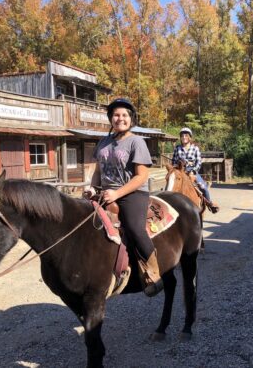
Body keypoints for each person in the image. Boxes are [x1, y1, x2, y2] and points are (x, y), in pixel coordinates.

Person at [86, 98, 162, 297]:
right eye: (116, 115)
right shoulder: (103, 142)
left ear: (131, 119)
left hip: (132, 193)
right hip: (105, 193)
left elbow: (142, 176)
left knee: (135, 228)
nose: (120, 118)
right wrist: (92, 188)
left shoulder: (136, 141)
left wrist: (117, 193)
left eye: (125, 115)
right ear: (111, 118)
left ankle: (153, 273)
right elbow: (97, 170)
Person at [172, 127, 219, 213]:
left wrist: (193, 171)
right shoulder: (177, 148)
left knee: (203, 187)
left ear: (189, 137)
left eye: (186, 135)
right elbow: (173, 161)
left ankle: (209, 203)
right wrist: (177, 168)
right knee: (170, 186)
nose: (184, 137)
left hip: (192, 172)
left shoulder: (195, 148)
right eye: (182, 136)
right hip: (180, 173)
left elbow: (199, 162)